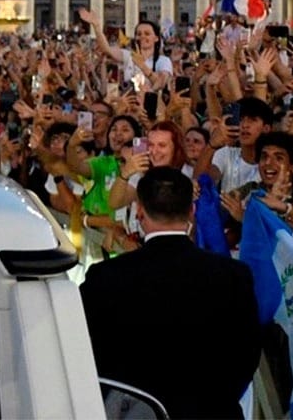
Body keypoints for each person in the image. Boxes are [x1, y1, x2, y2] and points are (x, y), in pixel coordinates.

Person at [80, 167, 261, 419]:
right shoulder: (234, 275)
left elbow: (85, 352)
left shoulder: (105, 277)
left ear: (140, 212)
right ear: (191, 211)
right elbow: (247, 356)